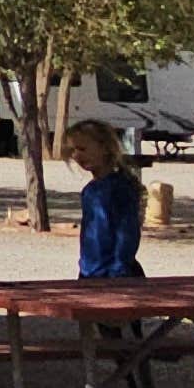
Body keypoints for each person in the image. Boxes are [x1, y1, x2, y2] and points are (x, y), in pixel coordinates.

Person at [66, 118, 148, 282]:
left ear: (104, 148)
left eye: (82, 149)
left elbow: (127, 232)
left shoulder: (120, 187)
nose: (76, 155)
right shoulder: (90, 190)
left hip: (115, 274)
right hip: (90, 271)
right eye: (73, 150)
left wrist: (118, 270)